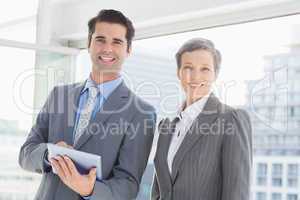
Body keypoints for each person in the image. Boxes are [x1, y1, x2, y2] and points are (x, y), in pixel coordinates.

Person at [19, 9, 156, 200]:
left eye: (117, 42)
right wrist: (49, 154)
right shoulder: (59, 96)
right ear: (89, 44)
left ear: (128, 50)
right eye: (100, 39)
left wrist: (89, 189)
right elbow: (25, 154)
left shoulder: (140, 113)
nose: (107, 48)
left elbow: (128, 186)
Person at [151, 38, 252, 200]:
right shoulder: (166, 126)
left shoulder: (230, 119)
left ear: (215, 75)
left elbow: (237, 193)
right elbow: (158, 191)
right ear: (179, 72)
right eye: (188, 68)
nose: (196, 76)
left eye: (205, 69)